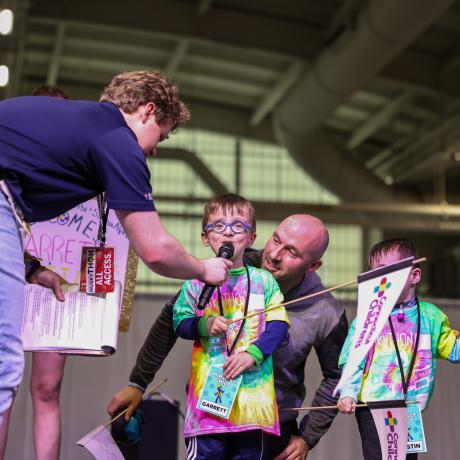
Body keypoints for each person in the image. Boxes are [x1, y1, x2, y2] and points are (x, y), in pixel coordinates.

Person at [0, 71, 232, 430]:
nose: (154, 150)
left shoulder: (79, 123)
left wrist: (30, 267)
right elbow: (154, 249)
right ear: (147, 111)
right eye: (162, 135)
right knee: (4, 364)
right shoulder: (116, 138)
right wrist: (203, 269)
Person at [108, 213, 348, 460]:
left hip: (269, 428)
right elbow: (172, 320)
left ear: (313, 266)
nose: (275, 255)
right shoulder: (226, 267)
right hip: (211, 418)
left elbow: (338, 377)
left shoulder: (326, 312)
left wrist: (307, 436)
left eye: (292, 253)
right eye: (276, 240)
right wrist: (138, 382)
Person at [173, 193, 290, 459]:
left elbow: (279, 325)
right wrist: (204, 323)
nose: (228, 234)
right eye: (218, 226)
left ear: (251, 238)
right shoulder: (195, 281)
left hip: (253, 404)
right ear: (206, 237)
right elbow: (180, 323)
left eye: (238, 226)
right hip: (208, 405)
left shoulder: (264, 281)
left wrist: (253, 354)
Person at [337, 238, 460, 460]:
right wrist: (348, 392)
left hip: (410, 408)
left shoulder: (430, 316)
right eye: (372, 272)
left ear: (414, 276)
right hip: (373, 406)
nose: (377, 278)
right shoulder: (368, 316)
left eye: (386, 271)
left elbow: (453, 349)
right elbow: (353, 360)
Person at [0, 84, 71, 460]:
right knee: (2, 378)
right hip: (17, 276)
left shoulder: (79, 173)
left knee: (47, 387)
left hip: (53, 289)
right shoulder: (9, 161)